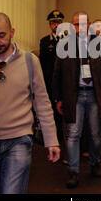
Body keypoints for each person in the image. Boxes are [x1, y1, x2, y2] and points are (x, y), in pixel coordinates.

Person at [0, 12, 60, 194]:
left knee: (11, 191)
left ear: (12, 32)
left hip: (19, 138)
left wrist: (51, 140)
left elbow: (42, 102)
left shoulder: (30, 62)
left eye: (1, 35)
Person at [52, 11, 101, 188]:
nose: (80, 27)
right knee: (73, 134)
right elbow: (57, 74)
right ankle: (73, 172)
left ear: (89, 24)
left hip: (95, 95)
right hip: (74, 96)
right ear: (72, 25)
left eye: (83, 24)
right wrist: (58, 99)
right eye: (76, 24)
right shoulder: (64, 45)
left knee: (95, 134)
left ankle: (95, 162)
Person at [39, 10, 67, 163]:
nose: (56, 25)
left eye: (58, 22)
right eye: (53, 23)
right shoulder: (45, 42)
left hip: (65, 84)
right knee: (54, 115)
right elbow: (43, 66)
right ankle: (56, 144)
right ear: (50, 25)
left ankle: (68, 145)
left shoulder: (70, 40)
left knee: (66, 116)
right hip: (50, 84)